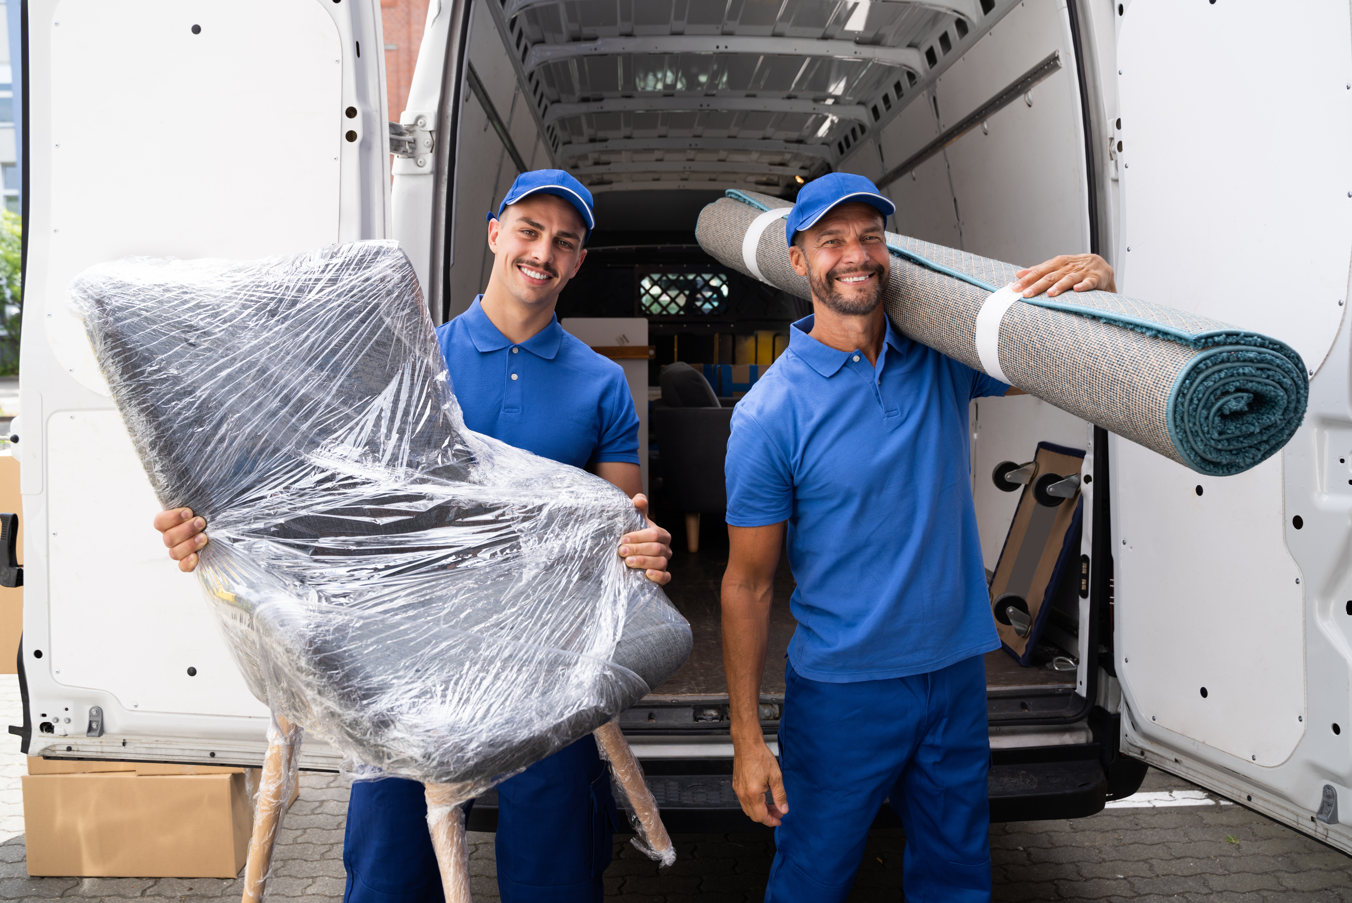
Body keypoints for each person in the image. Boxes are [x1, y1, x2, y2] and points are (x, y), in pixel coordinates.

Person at [153, 170, 675, 903]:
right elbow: (319, 501)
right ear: (496, 235)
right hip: (404, 665)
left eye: (565, 241)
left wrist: (645, 549)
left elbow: (618, 527)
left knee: (556, 879)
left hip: (547, 665)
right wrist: (212, 533)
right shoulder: (407, 361)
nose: (543, 251)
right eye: (529, 230)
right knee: (389, 876)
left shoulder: (600, 383)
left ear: (578, 261)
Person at [719, 172, 1115, 903]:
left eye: (870, 236)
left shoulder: (938, 358)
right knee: (811, 877)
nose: (855, 254)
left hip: (954, 676)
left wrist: (1095, 284)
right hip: (842, 692)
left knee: (958, 878)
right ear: (799, 261)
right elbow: (746, 582)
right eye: (831, 240)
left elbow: (1060, 360)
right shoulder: (770, 413)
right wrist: (745, 739)